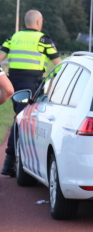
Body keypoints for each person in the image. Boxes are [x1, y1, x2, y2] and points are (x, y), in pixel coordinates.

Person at [0, 10, 62, 176]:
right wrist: (50, 82)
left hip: (13, 83)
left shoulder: (14, 37)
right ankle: (10, 162)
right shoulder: (43, 39)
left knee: (21, 118)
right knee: (22, 121)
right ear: (38, 22)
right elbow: (59, 65)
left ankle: (18, 162)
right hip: (31, 85)